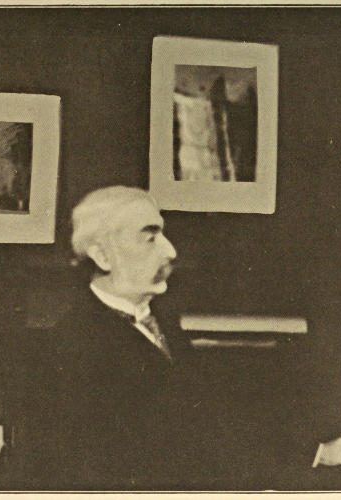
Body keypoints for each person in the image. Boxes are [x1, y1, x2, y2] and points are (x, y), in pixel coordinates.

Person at [17, 186, 210, 490]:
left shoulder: (166, 323)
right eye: (150, 238)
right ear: (103, 256)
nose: (170, 251)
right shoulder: (71, 346)